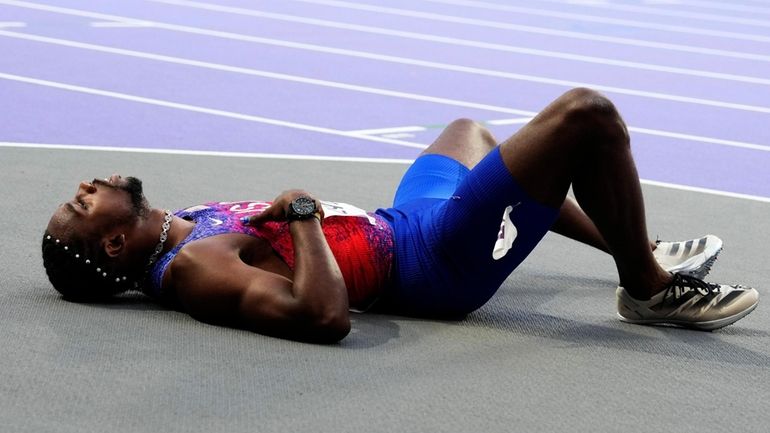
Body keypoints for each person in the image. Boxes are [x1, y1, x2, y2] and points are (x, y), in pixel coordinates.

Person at [41, 88, 759, 343]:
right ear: (111, 239)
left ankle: (639, 243)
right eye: (83, 201)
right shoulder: (193, 267)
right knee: (585, 118)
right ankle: (649, 285)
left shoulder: (180, 225)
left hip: (400, 220)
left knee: (468, 131)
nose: (87, 183)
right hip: (433, 263)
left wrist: (303, 218)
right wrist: (299, 213)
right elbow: (323, 316)